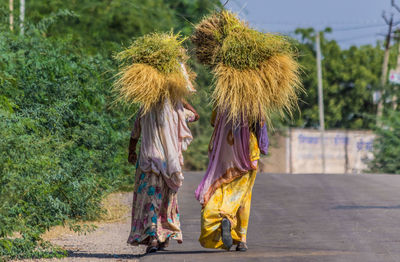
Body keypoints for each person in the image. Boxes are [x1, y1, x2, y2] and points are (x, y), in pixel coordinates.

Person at [191, 11, 302, 251]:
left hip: (223, 155)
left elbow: (213, 122)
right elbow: (259, 124)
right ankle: (235, 230)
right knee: (244, 194)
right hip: (247, 154)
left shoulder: (223, 98)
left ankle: (230, 227)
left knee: (222, 189)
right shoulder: (254, 99)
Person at [113, 32, 199, 253]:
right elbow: (193, 115)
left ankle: (153, 236)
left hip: (149, 159)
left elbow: (135, 131)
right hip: (168, 161)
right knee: (166, 198)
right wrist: (186, 105)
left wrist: (131, 151)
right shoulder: (174, 108)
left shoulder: (146, 105)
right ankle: (163, 236)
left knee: (150, 197)